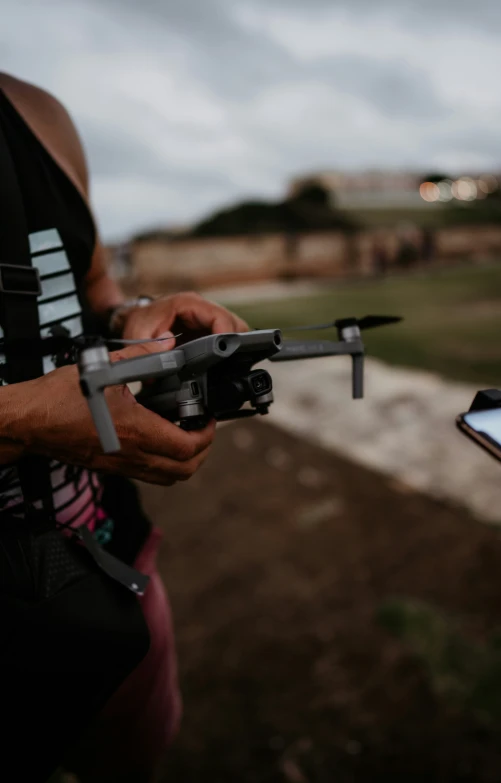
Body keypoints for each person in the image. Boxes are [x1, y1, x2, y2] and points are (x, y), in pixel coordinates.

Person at [0, 71, 248, 781]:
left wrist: (136, 316)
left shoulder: (38, 115)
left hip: (113, 567)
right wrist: (21, 422)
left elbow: (92, 291)